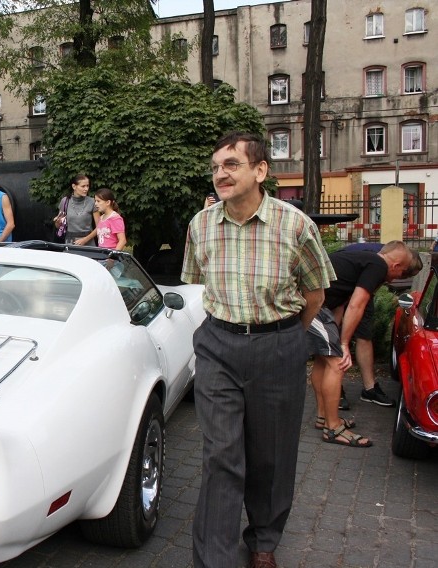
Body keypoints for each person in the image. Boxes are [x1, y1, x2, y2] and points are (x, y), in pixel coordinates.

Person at [181, 131, 334, 568]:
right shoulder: (200, 225)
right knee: (221, 455)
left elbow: (316, 295)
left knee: (271, 455)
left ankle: (264, 539)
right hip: (218, 346)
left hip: (279, 346)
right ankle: (216, 559)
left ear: (261, 170)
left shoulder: (295, 224)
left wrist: (284, 336)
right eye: (215, 167)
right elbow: (198, 284)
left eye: (231, 164)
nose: (220, 174)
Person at [307, 241, 414, 448]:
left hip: (316, 304)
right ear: (396, 265)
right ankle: (333, 428)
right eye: (403, 273)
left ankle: (323, 418)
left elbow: (340, 302)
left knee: (324, 361)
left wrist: (336, 338)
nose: (398, 277)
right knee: (338, 364)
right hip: (313, 304)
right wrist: (345, 344)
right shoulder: (378, 266)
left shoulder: (362, 261)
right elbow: (357, 304)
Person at [335, 242, 423, 410]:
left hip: (360, 288)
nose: (394, 280)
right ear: (398, 265)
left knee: (364, 334)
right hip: (341, 286)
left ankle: (369, 389)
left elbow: (363, 298)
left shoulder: (392, 257)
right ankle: (335, 389)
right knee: (334, 337)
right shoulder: (380, 261)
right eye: (400, 275)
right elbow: (354, 304)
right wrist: (343, 340)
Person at [53, 174, 99, 245]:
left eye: (87, 186)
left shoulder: (92, 201)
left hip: (88, 242)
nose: (86, 189)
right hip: (70, 242)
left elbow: (99, 227)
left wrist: (85, 239)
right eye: (83, 186)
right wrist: (57, 222)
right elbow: (59, 226)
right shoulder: (65, 201)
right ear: (74, 186)